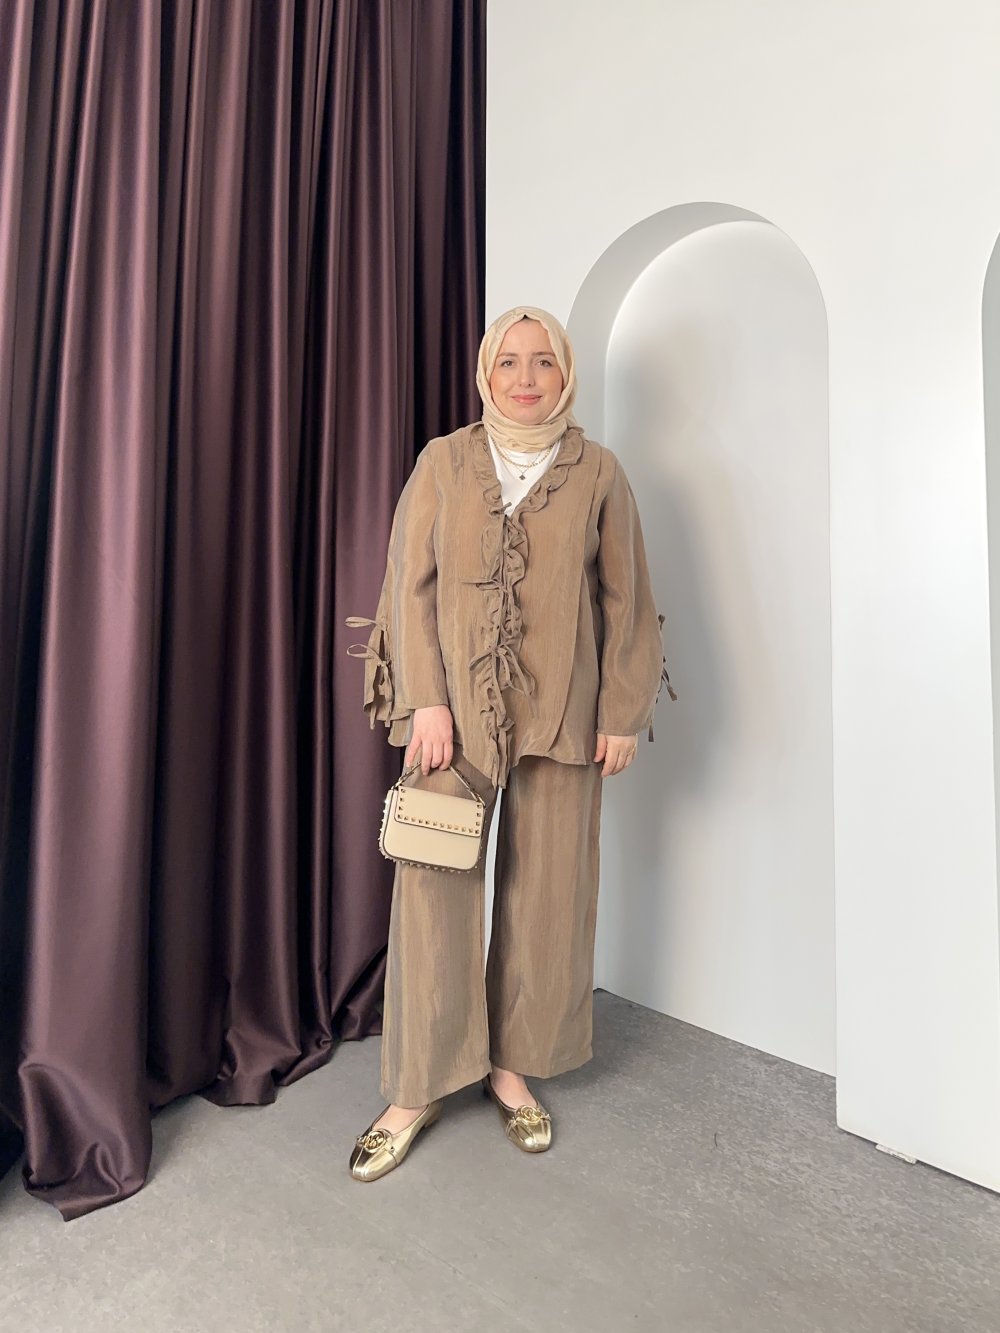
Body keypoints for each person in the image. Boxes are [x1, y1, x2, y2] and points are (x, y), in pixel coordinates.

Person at [344, 305, 676, 1181]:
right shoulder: (442, 462)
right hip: (451, 718)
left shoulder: (599, 472)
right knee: (432, 888)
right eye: (509, 362)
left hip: (564, 714)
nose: (526, 378)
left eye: (543, 362)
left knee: (548, 895)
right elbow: (408, 585)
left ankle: (511, 1068)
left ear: (565, 374)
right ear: (485, 373)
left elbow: (626, 597)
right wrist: (424, 700)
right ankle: (416, 1086)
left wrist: (620, 710)